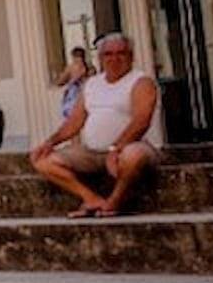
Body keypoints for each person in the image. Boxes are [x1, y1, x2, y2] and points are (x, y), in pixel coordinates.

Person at [30, 32, 160, 217]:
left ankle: (114, 202)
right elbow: (74, 122)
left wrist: (116, 148)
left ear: (131, 57)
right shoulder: (92, 84)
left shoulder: (141, 82)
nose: (114, 59)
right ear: (100, 59)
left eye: (120, 53)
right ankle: (91, 199)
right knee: (43, 161)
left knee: (133, 156)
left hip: (128, 147)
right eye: (108, 54)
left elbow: (141, 120)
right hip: (91, 152)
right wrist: (50, 143)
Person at [56, 46, 94, 120]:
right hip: (85, 94)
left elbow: (59, 82)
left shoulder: (72, 67)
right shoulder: (90, 68)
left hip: (76, 95)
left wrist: (72, 80)